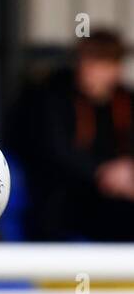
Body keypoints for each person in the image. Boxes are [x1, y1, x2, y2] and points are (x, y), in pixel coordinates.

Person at [13, 28, 134, 241]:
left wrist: (126, 174)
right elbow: (55, 151)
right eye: (84, 61)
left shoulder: (126, 102)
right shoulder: (54, 99)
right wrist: (101, 172)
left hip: (116, 196)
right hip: (66, 194)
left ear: (115, 68)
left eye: (98, 62)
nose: (87, 69)